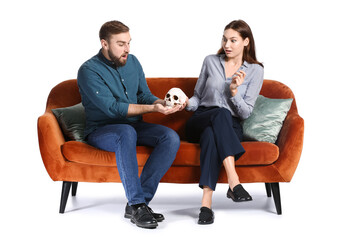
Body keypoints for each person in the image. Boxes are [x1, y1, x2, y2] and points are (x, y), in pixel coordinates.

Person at [77, 20, 186, 229]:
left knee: (170, 137)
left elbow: (143, 95)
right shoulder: (88, 71)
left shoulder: (133, 62)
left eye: (128, 43)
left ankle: (138, 203)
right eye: (120, 44)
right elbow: (113, 109)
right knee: (125, 132)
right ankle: (137, 204)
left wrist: (161, 103)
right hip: (102, 130)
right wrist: (153, 110)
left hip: (133, 127)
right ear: (104, 44)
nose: (127, 49)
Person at [185, 20, 264, 224]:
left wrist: (234, 93)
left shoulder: (255, 70)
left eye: (233, 40)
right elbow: (197, 96)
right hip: (201, 118)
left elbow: (245, 113)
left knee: (213, 133)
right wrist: (185, 103)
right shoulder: (210, 61)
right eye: (225, 39)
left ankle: (205, 205)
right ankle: (233, 181)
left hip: (230, 125)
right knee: (218, 114)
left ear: (246, 42)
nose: (227, 44)